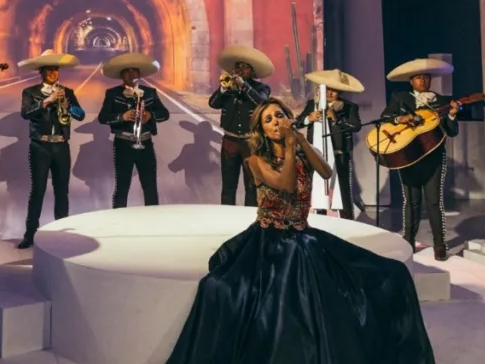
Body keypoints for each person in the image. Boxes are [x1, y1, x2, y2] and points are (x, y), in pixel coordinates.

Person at [166, 98, 436, 364]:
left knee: (390, 273)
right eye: (268, 120)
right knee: (237, 291)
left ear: (289, 119)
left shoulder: (301, 151)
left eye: (279, 115)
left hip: (302, 234)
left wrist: (301, 142)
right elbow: (286, 184)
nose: (276, 123)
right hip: (270, 239)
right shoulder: (256, 161)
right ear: (262, 130)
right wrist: (291, 146)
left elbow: (327, 172)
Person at [382, 58, 460, 261]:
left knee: (434, 202)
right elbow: (385, 117)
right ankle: (408, 240)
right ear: (411, 81)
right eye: (418, 78)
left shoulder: (441, 101)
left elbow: (451, 132)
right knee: (411, 201)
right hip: (408, 156)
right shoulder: (400, 98)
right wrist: (400, 118)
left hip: (433, 157)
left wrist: (452, 115)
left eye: (426, 77)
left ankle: (439, 244)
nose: (423, 81)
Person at [17, 50, 85, 249]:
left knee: (62, 191)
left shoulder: (67, 92)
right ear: (41, 71)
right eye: (49, 69)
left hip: (61, 145)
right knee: (37, 190)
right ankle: (30, 234)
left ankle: (61, 233)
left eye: (55, 69)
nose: (53, 73)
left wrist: (68, 105)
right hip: (40, 145)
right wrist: (47, 101)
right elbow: (25, 113)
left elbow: (80, 115)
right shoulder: (30, 92)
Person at [98, 52, 171, 207]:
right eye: (127, 72)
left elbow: (165, 114)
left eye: (134, 71)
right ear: (122, 75)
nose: (131, 75)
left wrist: (149, 115)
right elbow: (103, 117)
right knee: (122, 186)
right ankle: (118, 217)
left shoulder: (150, 92)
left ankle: (152, 216)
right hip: (123, 144)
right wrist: (122, 117)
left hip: (145, 143)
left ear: (139, 74)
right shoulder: (113, 94)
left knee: (150, 186)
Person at [294, 69, 364, 219]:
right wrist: (308, 119)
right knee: (316, 188)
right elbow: (297, 123)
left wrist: (337, 118)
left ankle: (346, 221)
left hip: (339, 154)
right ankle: (318, 219)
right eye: (327, 88)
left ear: (340, 92)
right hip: (315, 155)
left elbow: (356, 126)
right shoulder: (312, 104)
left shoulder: (349, 107)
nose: (330, 93)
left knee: (342, 190)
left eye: (334, 90)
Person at [208, 45, 272, 206]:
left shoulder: (261, 88)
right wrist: (223, 89)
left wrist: (244, 86)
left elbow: (262, 103)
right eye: (238, 67)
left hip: (251, 142)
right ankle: (227, 216)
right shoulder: (228, 88)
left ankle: (249, 217)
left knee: (252, 186)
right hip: (230, 141)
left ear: (252, 72)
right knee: (228, 186)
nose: (240, 70)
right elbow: (213, 104)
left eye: (245, 67)